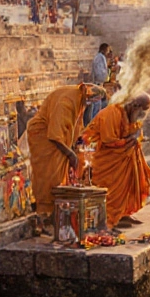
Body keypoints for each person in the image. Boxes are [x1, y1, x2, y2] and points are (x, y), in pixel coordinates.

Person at [26, 84, 103, 226]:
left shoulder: (79, 99)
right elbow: (54, 134)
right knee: (50, 176)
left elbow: (75, 126)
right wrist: (70, 154)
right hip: (44, 137)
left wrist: (76, 145)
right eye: (93, 101)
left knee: (61, 175)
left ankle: (56, 212)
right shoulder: (66, 102)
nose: (92, 104)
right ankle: (45, 212)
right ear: (88, 95)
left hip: (57, 138)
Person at [84, 93, 150, 229]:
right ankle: (111, 216)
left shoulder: (130, 115)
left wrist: (135, 136)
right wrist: (129, 141)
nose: (142, 115)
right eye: (142, 110)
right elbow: (108, 140)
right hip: (99, 153)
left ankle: (123, 213)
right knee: (110, 186)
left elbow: (137, 132)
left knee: (129, 180)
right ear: (135, 106)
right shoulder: (112, 113)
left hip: (121, 156)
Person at [86, 43, 110, 125]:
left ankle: (94, 124)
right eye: (107, 50)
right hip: (97, 84)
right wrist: (107, 76)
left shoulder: (99, 57)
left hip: (97, 84)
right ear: (104, 49)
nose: (108, 52)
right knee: (97, 105)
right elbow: (100, 74)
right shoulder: (100, 58)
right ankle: (94, 125)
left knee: (97, 105)